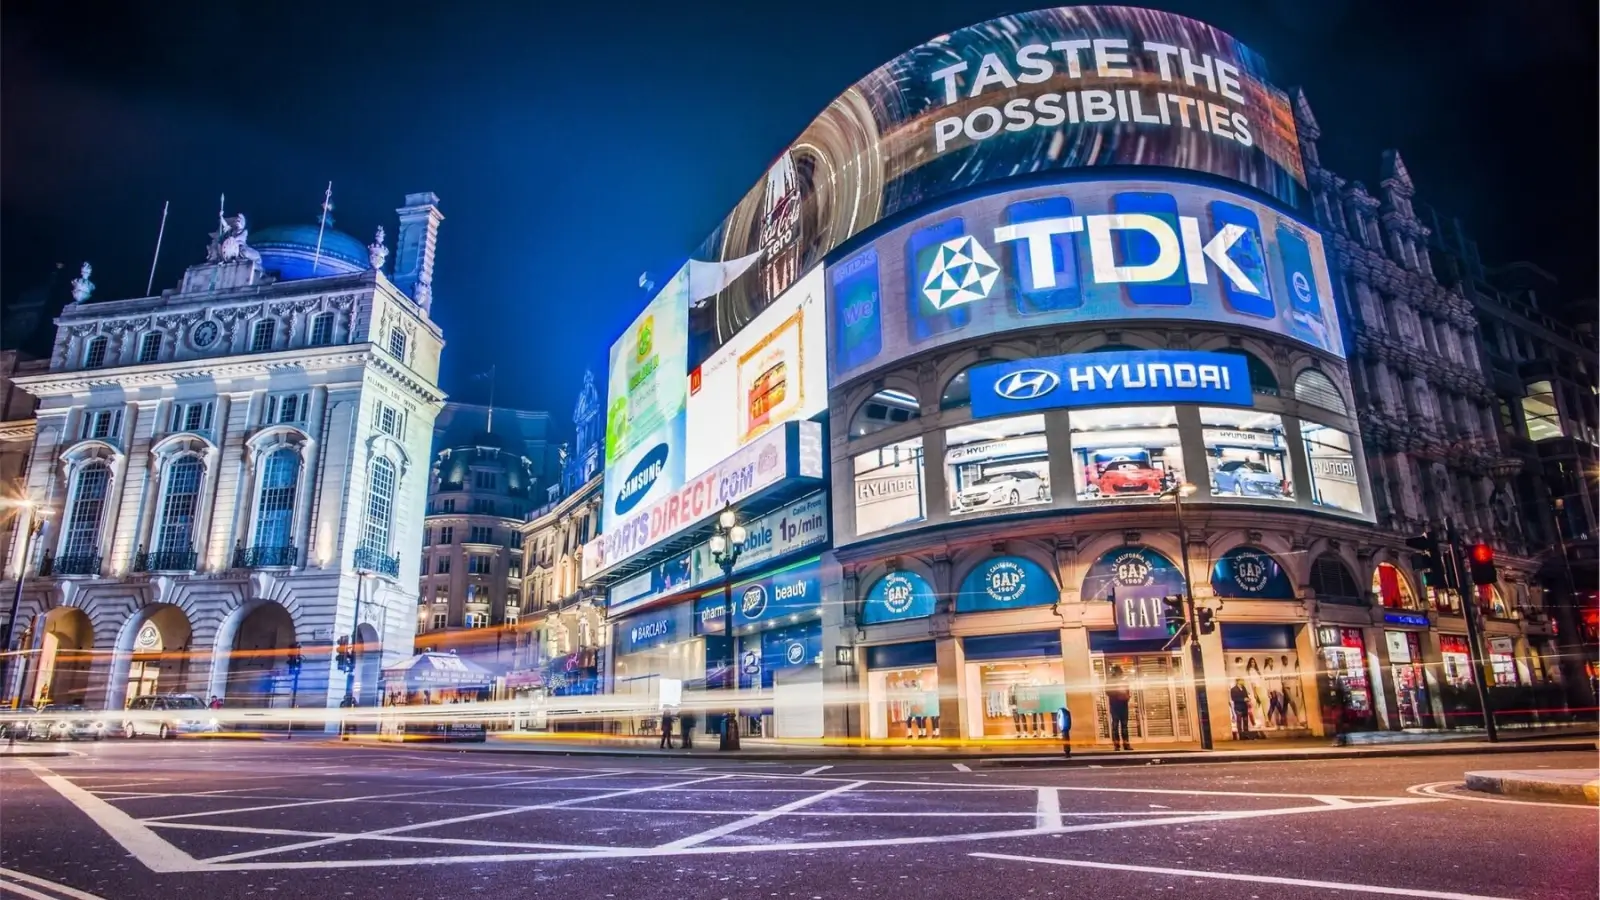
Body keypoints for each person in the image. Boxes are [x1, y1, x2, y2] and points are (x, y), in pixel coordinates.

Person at [1105, 665, 1132, 751]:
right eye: (1119, 671)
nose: (1120, 673)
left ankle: (1126, 744)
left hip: (1123, 704)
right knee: (1115, 725)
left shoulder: (1124, 680)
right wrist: (1118, 694)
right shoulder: (1110, 681)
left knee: (1124, 725)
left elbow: (1127, 690)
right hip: (1115, 705)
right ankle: (1117, 745)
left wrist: (1127, 697)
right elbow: (1108, 692)